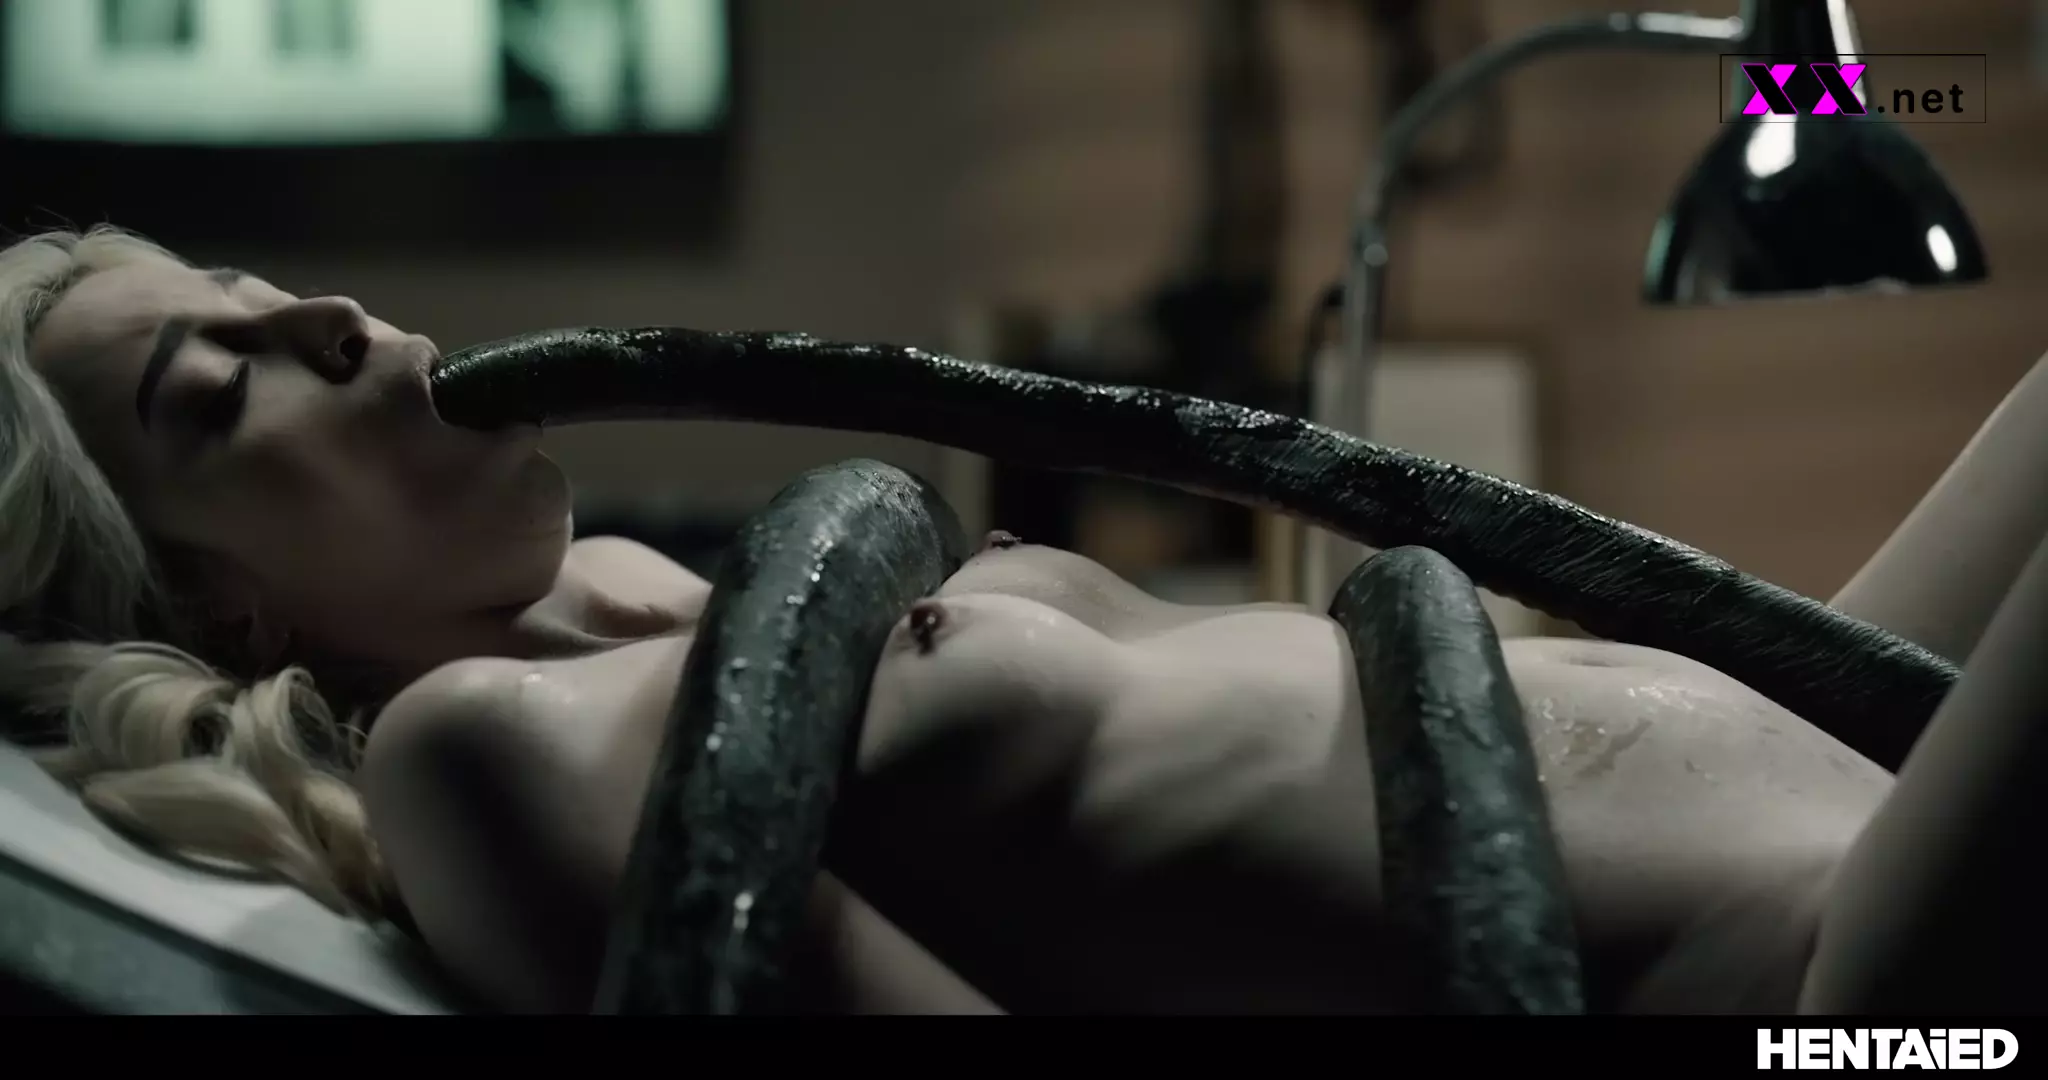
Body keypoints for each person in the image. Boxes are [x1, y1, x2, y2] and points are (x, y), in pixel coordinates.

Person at [0, 226, 2038, 1015]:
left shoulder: (671, 604)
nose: (324, 313)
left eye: (252, 283)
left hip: (1878, 791)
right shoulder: (485, 756)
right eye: (213, 385)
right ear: (203, 603)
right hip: (1852, 1009)